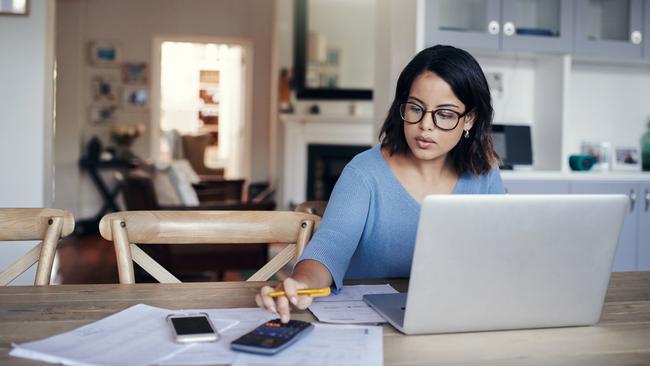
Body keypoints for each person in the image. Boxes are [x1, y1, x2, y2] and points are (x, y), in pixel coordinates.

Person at [256, 45, 505, 322]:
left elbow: (503, 253)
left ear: (469, 118)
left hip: (454, 317)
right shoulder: (363, 173)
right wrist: (301, 284)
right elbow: (330, 246)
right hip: (370, 323)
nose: (425, 125)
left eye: (445, 114)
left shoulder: (484, 173)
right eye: (416, 109)